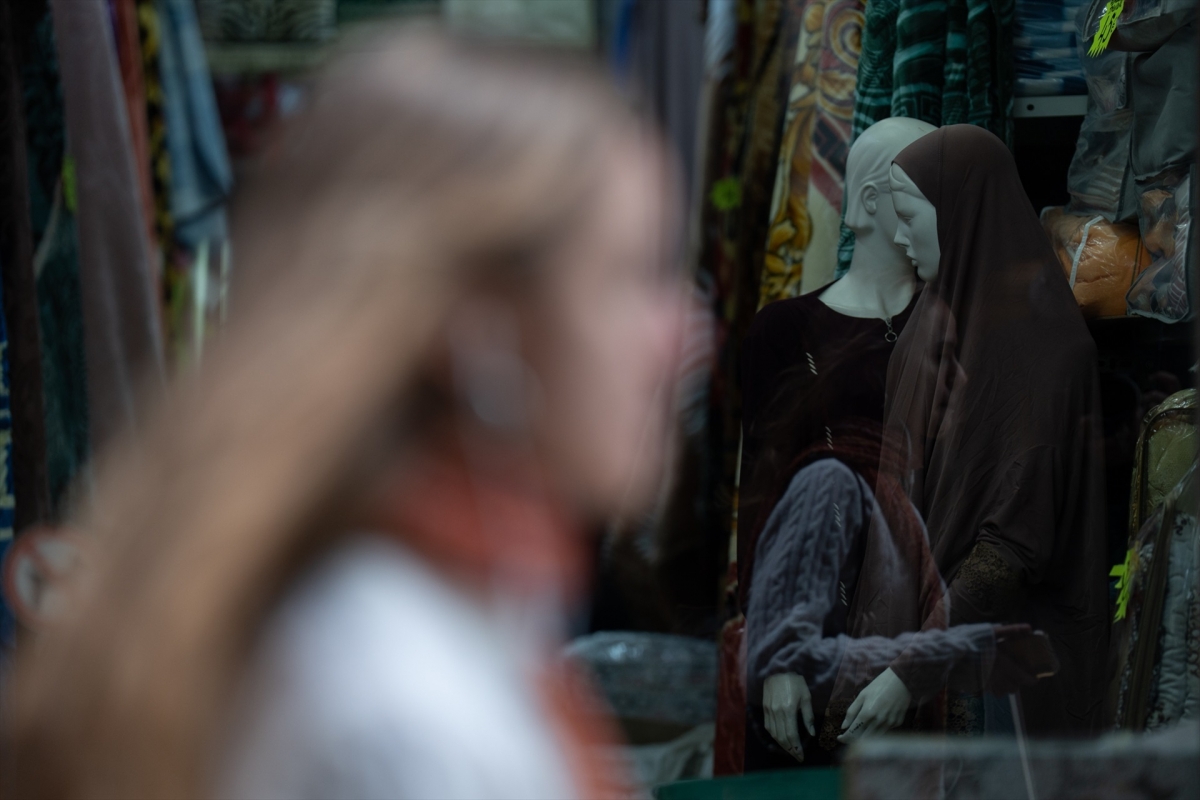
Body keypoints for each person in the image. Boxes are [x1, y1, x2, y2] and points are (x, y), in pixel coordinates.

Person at [3, 28, 688, 799]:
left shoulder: (431, 616)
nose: (684, 335)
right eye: (634, 277)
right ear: (478, 325)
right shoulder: (405, 716)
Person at [879, 124, 1109, 735]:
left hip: (1005, 678)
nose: (898, 237)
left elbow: (1014, 543)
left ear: (962, 215)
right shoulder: (927, 330)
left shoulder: (1049, 354)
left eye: (910, 216)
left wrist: (908, 670)